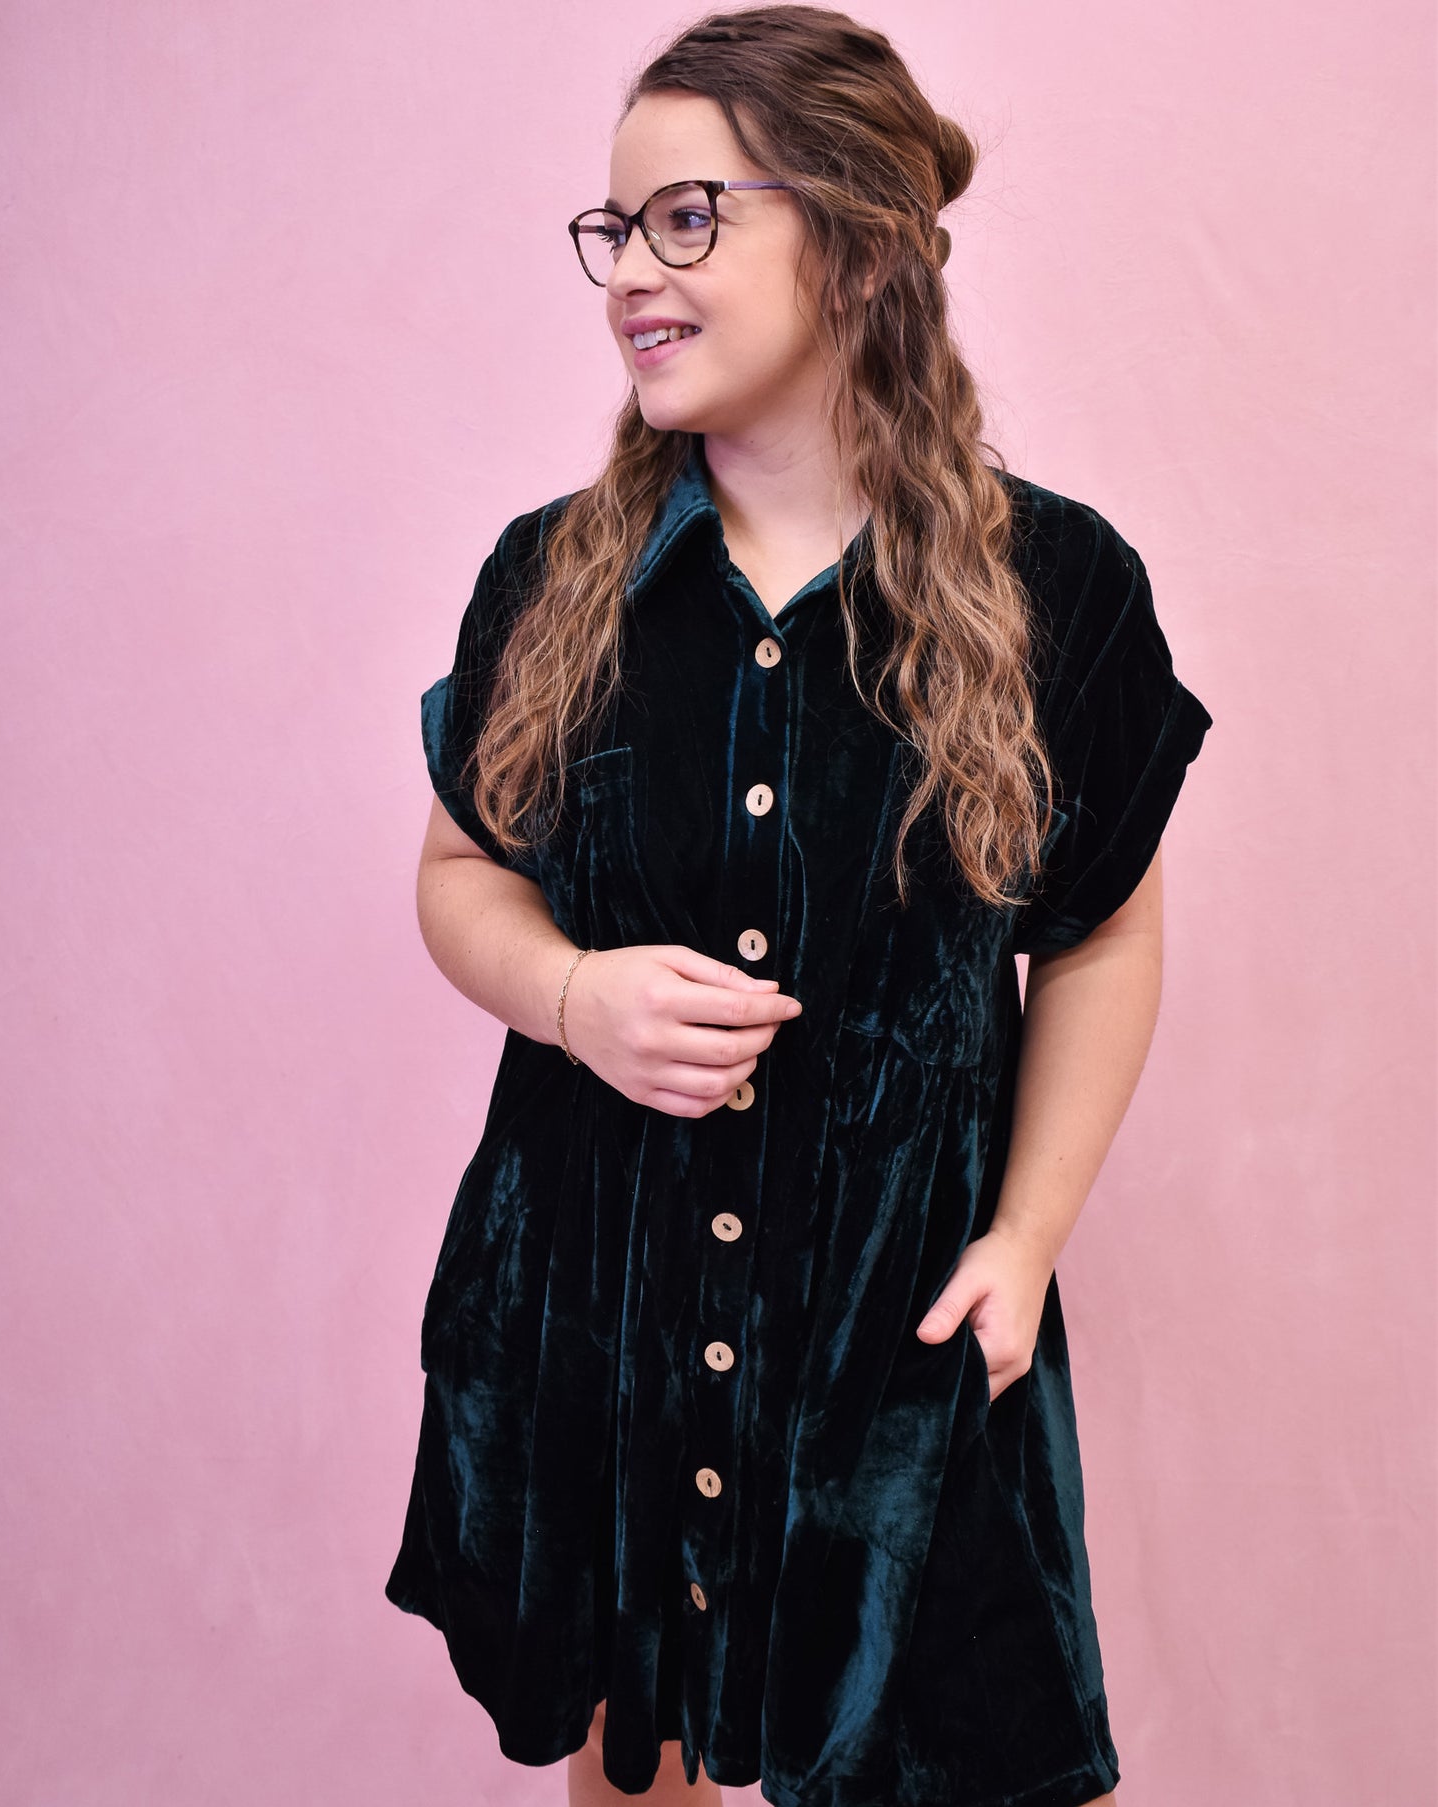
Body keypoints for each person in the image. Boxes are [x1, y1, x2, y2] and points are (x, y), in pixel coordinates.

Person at [384, 8, 1213, 1807]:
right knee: (639, 1749)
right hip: (602, 1301)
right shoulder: (549, 580)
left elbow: (1101, 930)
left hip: (889, 1335)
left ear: (856, 244)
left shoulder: (1058, 587)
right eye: (614, 229)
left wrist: (1027, 1235)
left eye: (686, 218)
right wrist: (570, 996)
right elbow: (460, 878)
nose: (629, 273)